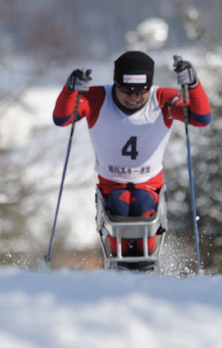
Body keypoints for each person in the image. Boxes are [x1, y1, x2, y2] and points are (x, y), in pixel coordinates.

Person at [52, 51, 211, 257]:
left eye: (141, 91)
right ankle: (121, 262)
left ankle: (146, 261)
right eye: (127, 90)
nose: (134, 98)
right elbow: (62, 118)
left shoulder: (163, 99)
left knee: (143, 204)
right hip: (111, 185)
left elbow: (201, 118)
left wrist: (193, 85)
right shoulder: (98, 98)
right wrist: (70, 90)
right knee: (118, 205)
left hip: (149, 185)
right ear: (116, 84)